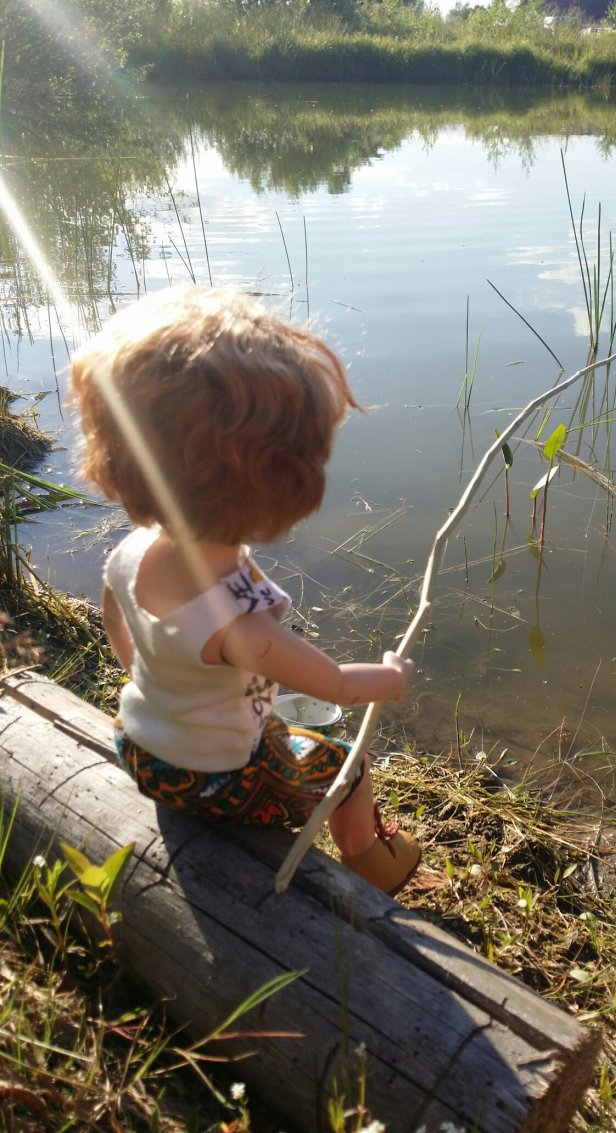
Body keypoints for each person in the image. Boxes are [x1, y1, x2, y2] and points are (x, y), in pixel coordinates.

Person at [69, 285, 421, 896]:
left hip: (140, 746)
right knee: (349, 767)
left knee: (282, 730)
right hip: (212, 782)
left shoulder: (129, 553)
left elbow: (115, 622)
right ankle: (369, 861)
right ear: (280, 485)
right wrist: (390, 676)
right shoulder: (240, 623)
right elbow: (336, 684)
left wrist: (160, 684)